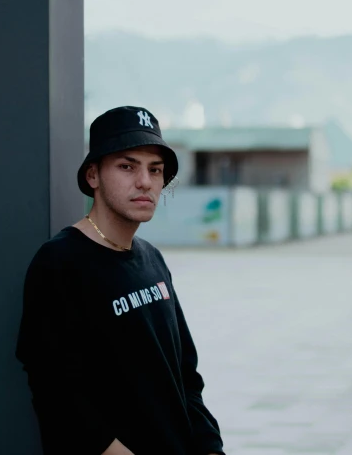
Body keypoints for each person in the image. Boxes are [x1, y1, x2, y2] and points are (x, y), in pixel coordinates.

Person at [16, 106, 225, 455]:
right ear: (93, 175)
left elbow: (185, 374)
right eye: (127, 166)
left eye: (154, 170)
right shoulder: (60, 262)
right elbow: (58, 391)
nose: (145, 181)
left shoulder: (151, 258)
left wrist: (210, 447)